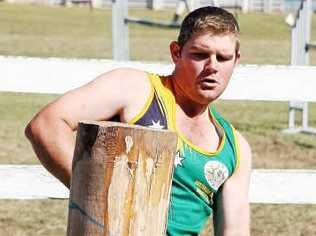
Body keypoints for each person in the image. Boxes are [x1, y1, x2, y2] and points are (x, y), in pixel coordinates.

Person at [25, 6, 251, 236]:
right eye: (200, 54)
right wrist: (105, 206)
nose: (212, 67)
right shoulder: (135, 89)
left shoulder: (234, 148)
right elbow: (46, 125)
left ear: (236, 61)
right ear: (176, 52)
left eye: (223, 58)